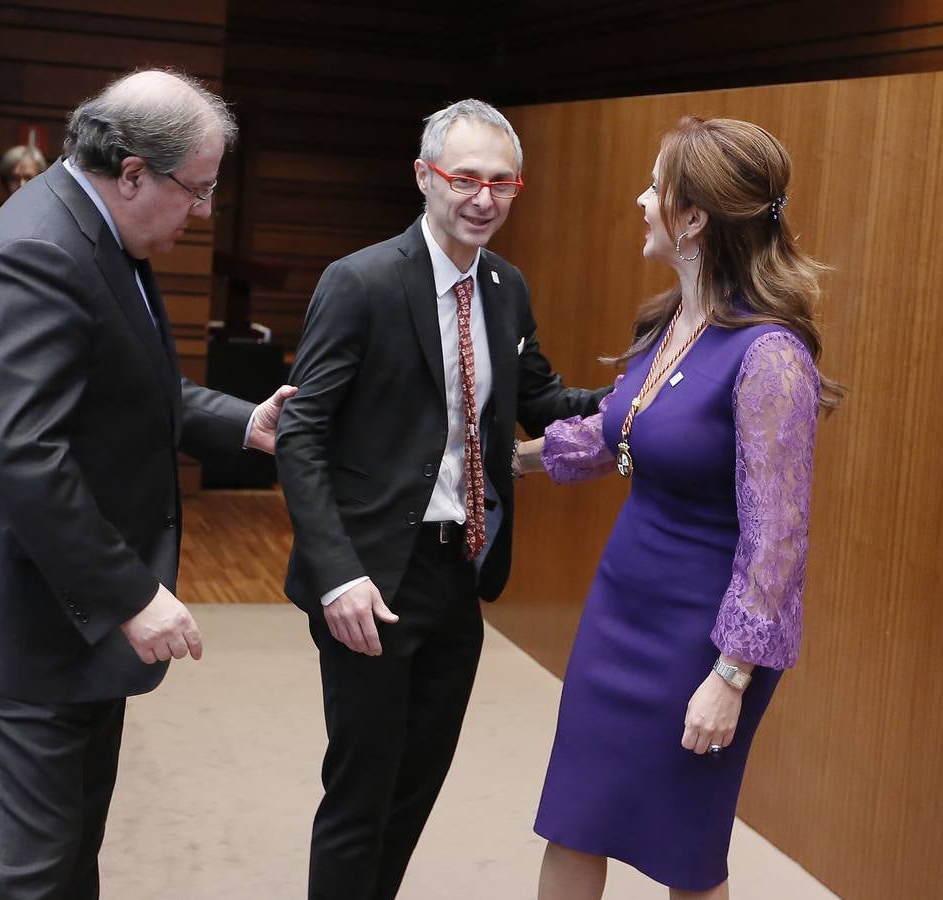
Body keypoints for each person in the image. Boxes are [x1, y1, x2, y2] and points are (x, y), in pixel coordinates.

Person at [0, 69, 295, 899]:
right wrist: (129, 595)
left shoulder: (100, 230)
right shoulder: (43, 250)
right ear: (133, 172)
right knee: (25, 877)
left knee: (67, 861)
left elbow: (130, 387)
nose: (206, 211)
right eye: (198, 189)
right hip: (22, 621)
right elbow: (24, 454)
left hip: (62, 617)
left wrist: (241, 420)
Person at [276, 99, 609, 900]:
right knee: (361, 793)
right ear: (425, 178)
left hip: (459, 573)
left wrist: (648, 394)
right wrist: (336, 575)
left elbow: (544, 399)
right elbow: (301, 434)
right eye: (466, 178)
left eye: (503, 182)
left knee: (416, 786)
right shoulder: (360, 281)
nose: (484, 198)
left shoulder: (505, 287)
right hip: (368, 580)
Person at [517, 116, 844, 899]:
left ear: (694, 217)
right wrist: (500, 458)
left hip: (706, 635)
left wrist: (729, 676)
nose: (640, 199)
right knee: (574, 817)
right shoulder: (671, 321)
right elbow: (619, 434)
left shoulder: (771, 357)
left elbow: (778, 541)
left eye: (655, 187)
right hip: (622, 605)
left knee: (684, 849)